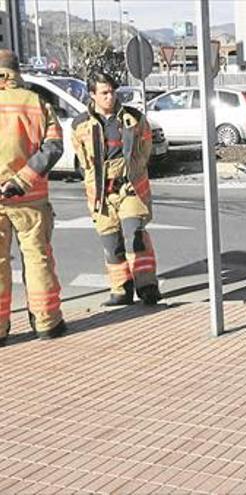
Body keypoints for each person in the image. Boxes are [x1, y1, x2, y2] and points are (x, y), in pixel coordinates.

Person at [71, 72, 161, 306]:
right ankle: (121, 289)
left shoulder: (133, 118)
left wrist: (135, 169)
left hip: (129, 188)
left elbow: (145, 147)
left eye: (112, 92)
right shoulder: (80, 124)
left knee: (136, 237)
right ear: (93, 95)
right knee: (112, 244)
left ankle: (148, 286)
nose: (110, 97)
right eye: (104, 93)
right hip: (102, 195)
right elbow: (82, 160)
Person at [0, 50, 66, 342]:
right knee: (38, 259)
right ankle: (47, 322)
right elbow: (53, 147)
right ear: (17, 72)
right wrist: (21, 181)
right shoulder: (37, 103)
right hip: (30, 199)